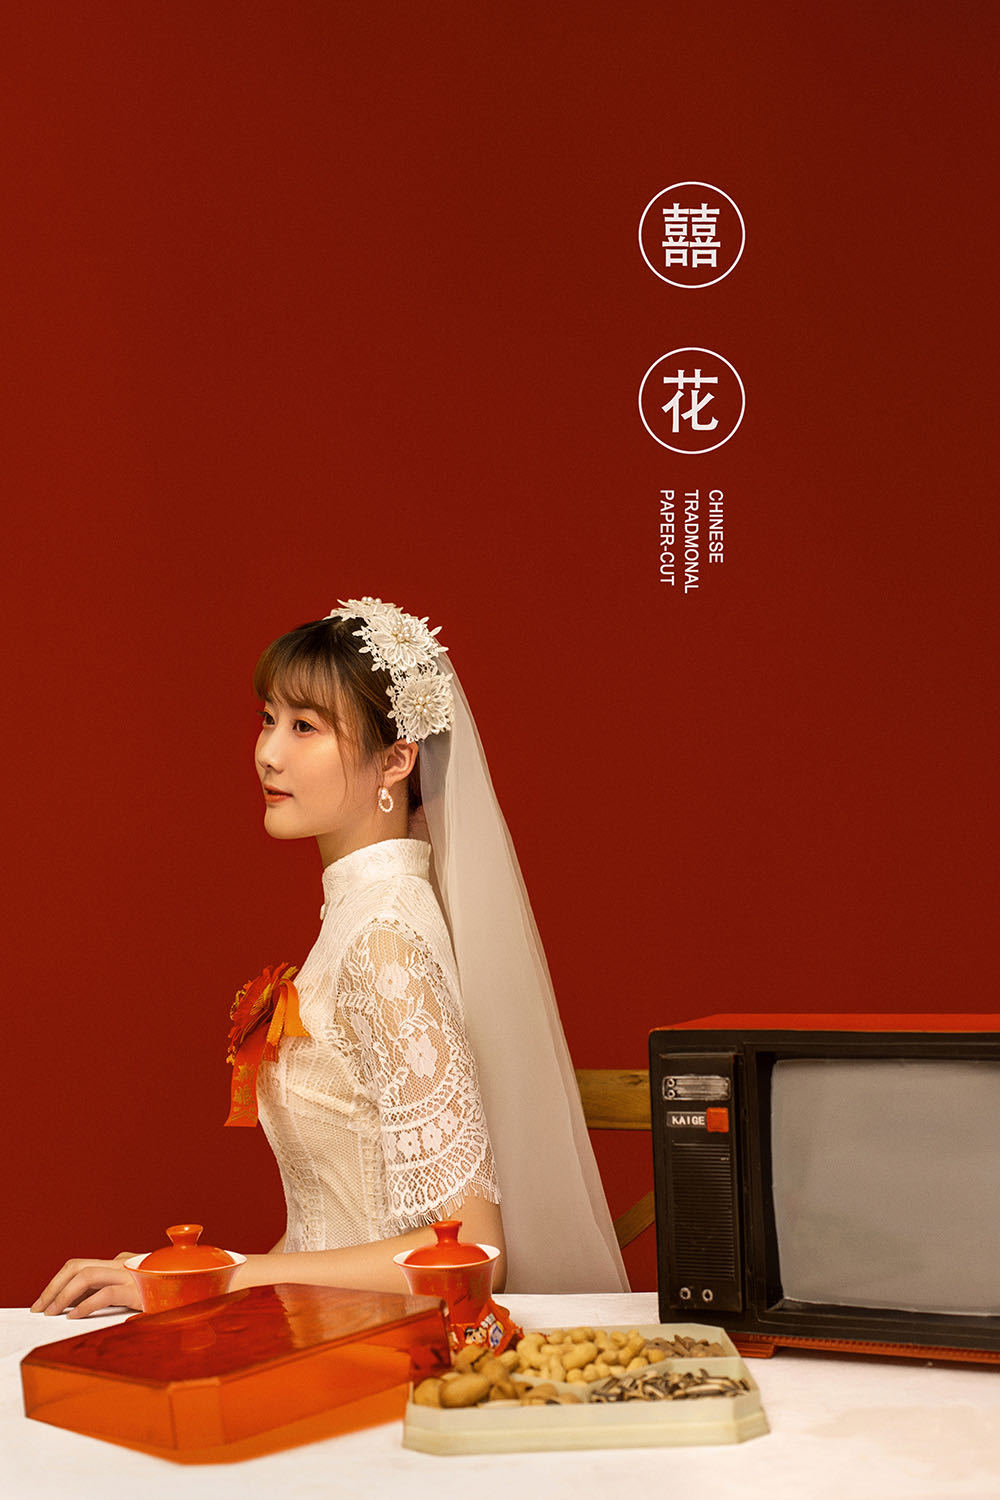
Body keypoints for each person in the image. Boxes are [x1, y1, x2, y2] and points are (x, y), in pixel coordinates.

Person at [32, 598, 627, 1318]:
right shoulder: (359, 918)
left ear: (396, 759)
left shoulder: (385, 938)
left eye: (305, 727)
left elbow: (472, 1251)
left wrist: (210, 1278)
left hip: (390, 1353)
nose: (268, 752)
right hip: (330, 1327)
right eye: (268, 718)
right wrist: (190, 1292)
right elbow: (325, 1229)